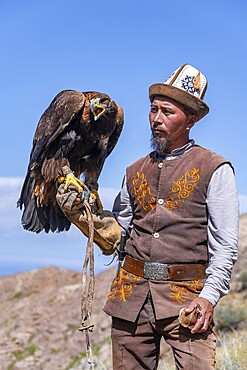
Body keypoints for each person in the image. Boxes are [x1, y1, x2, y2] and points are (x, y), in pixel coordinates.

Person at [57, 64, 239, 370]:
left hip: (188, 300)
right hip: (130, 298)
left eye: (167, 112)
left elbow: (225, 248)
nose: (156, 119)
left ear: (190, 120)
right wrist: (86, 217)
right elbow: (120, 233)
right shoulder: (133, 171)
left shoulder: (215, 169)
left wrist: (208, 298)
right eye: (153, 110)